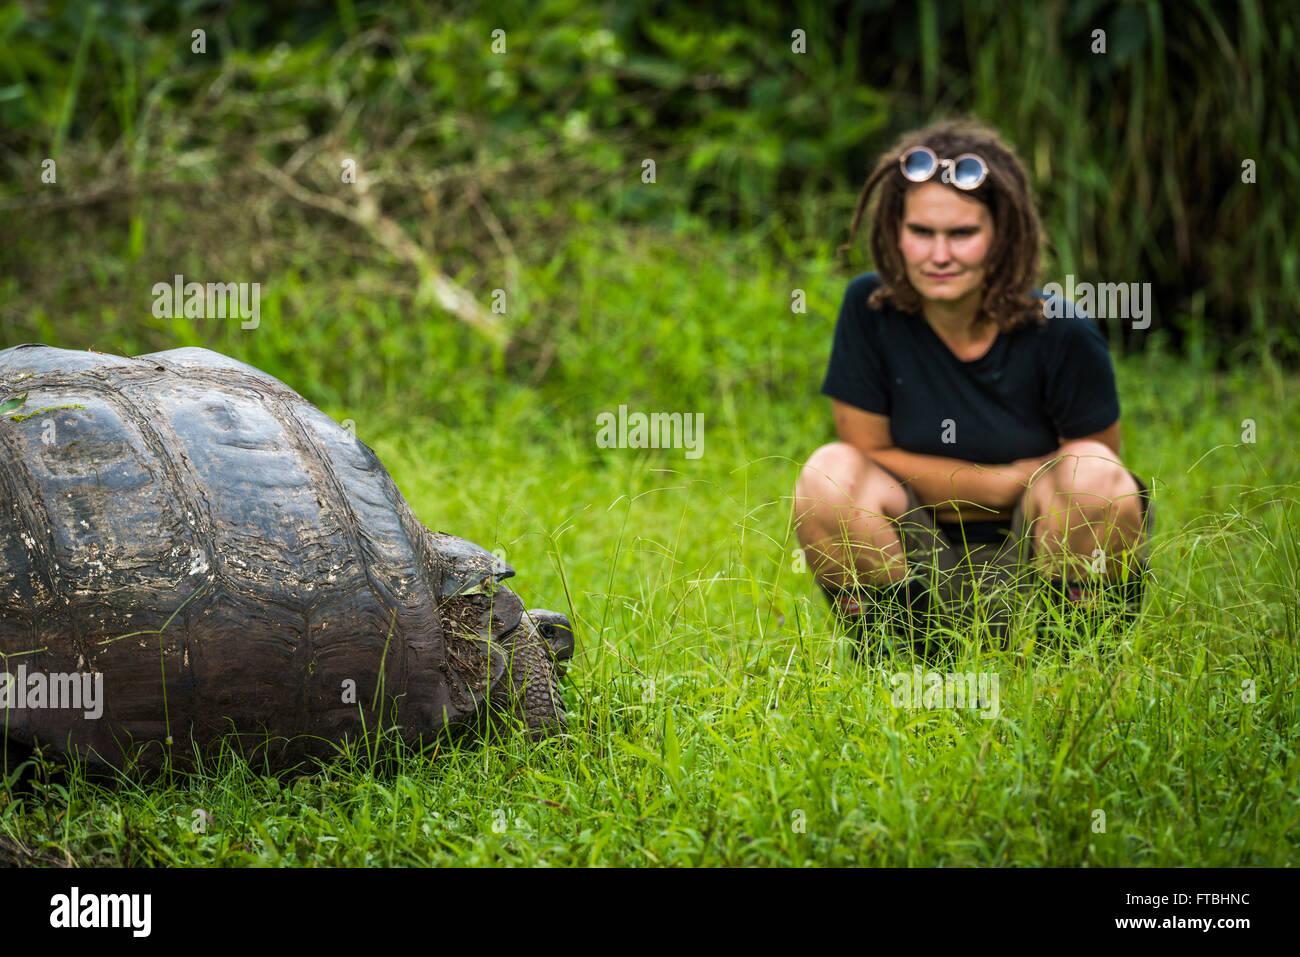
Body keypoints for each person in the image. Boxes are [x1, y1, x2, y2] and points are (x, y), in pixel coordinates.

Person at [793, 118, 1153, 660]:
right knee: (827, 476)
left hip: (1032, 561)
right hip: (919, 558)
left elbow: (1100, 476)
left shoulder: (1063, 331)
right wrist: (1000, 482)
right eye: (921, 232)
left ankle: (1070, 673)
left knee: (1093, 478)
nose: (939, 254)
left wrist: (1020, 492)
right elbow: (865, 454)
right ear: (895, 231)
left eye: (962, 234)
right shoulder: (870, 309)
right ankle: (910, 670)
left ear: (1001, 235)